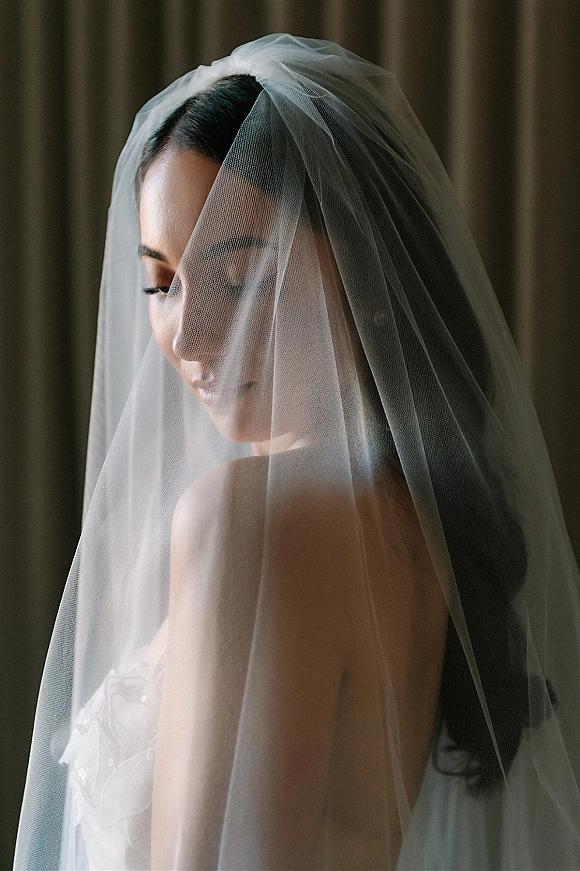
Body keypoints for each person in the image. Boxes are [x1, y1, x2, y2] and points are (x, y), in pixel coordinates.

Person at [14, 34, 580, 870]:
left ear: (368, 274)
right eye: (161, 282)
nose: (191, 334)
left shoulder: (253, 516)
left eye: (241, 277)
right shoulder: (409, 517)